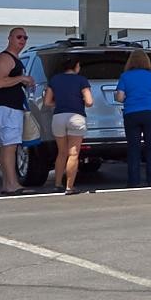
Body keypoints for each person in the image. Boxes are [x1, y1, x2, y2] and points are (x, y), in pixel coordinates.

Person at [0, 28, 34, 196]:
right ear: (9, 38)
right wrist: (22, 78)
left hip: (14, 106)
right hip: (7, 107)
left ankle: (8, 183)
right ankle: (12, 184)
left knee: (8, 146)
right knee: (10, 146)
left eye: (25, 37)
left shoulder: (16, 59)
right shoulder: (4, 58)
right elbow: (0, 82)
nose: (22, 40)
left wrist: (25, 82)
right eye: (19, 37)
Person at [45, 54, 95, 195]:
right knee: (73, 154)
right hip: (76, 117)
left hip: (58, 117)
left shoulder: (54, 80)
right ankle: (69, 187)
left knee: (61, 153)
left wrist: (60, 102)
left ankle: (57, 184)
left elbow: (47, 102)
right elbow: (89, 101)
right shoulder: (81, 80)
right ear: (76, 66)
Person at [115, 50, 151, 188]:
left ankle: (133, 181)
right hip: (150, 113)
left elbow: (119, 97)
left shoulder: (125, 76)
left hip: (131, 114)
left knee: (133, 148)